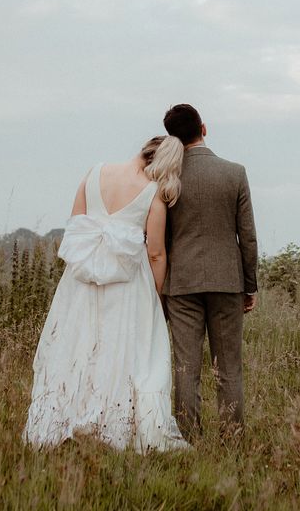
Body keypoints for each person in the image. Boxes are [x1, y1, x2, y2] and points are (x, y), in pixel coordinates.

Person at [22, 136, 189, 453]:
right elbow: (155, 253)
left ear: (143, 148)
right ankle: (111, 422)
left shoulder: (94, 173)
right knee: (123, 352)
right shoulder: (152, 194)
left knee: (78, 346)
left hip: (81, 280)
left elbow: (77, 226)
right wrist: (155, 299)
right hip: (128, 285)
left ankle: (64, 418)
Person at [162, 103, 258, 443]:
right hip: (227, 281)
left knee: (185, 368)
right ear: (204, 129)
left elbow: (159, 237)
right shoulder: (235, 173)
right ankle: (233, 440)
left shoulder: (166, 177)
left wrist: (161, 288)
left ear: (172, 138)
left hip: (182, 284)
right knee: (228, 367)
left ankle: (188, 440)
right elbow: (246, 236)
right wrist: (250, 286)